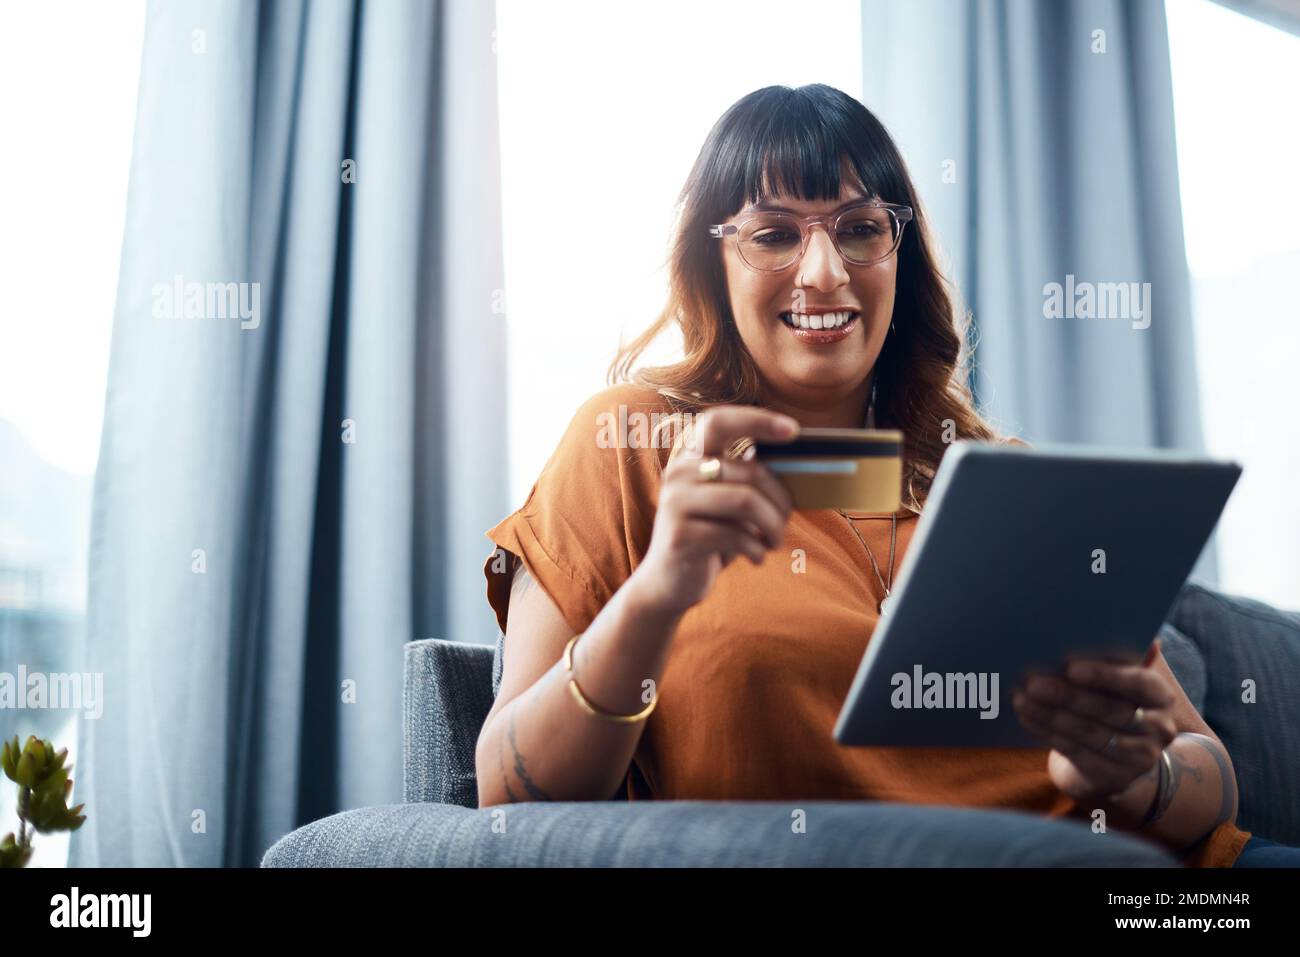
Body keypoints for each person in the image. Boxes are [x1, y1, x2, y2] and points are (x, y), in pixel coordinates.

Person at [476, 83, 1275, 867]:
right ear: (713, 259)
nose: (824, 271)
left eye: (860, 228)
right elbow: (504, 798)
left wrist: (1143, 780)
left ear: (900, 254)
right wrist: (654, 594)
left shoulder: (1001, 478)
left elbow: (1210, 772)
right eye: (774, 234)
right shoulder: (633, 444)